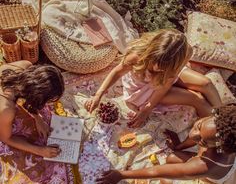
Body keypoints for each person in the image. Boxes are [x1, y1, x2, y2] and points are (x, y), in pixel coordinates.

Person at [96, 103, 236, 184]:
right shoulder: (220, 133)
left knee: (165, 182)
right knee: (172, 158)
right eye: (198, 126)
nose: (193, 135)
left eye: (202, 141)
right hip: (224, 180)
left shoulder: (206, 166)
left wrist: (120, 175)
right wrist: (179, 146)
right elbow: (198, 137)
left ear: (219, 147)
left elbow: (155, 172)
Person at [85, 29, 221, 127]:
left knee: (206, 83)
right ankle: (221, 129)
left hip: (163, 83)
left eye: (164, 66)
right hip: (145, 92)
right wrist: (99, 94)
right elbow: (117, 72)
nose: (158, 68)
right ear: (152, 50)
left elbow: (166, 83)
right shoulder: (137, 56)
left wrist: (170, 72)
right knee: (196, 98)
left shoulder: (181, 57)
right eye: (156, 62)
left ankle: (225, 117)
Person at [0, 61, 64, 158]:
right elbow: (6, 138)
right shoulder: (6, 110)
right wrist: (39, 151)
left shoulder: (25, 65)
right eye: (47, 101)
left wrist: (38, 118)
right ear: (35, 99)